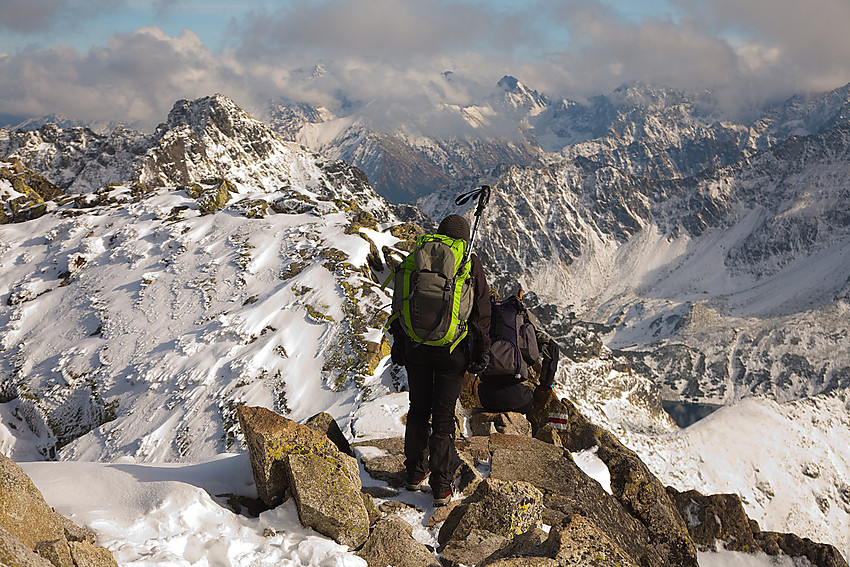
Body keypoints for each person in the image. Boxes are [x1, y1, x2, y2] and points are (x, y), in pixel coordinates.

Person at [389, 213, 491, 506]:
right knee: (444, 418)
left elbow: (400, 301)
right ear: (464, 236)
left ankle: (413, 473)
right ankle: (441, 486)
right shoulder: (467, 261)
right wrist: (481, 350)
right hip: (452, 351)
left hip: (416, 347)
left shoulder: (419, 256)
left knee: (418, 409)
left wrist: (400, 341)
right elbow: (481, 311)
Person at [476, 289, 560, 419]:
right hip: (518, 399)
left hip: (486, 398)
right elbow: (551, 348)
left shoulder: (487, 324)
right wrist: (547, 383)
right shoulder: (524, 328)